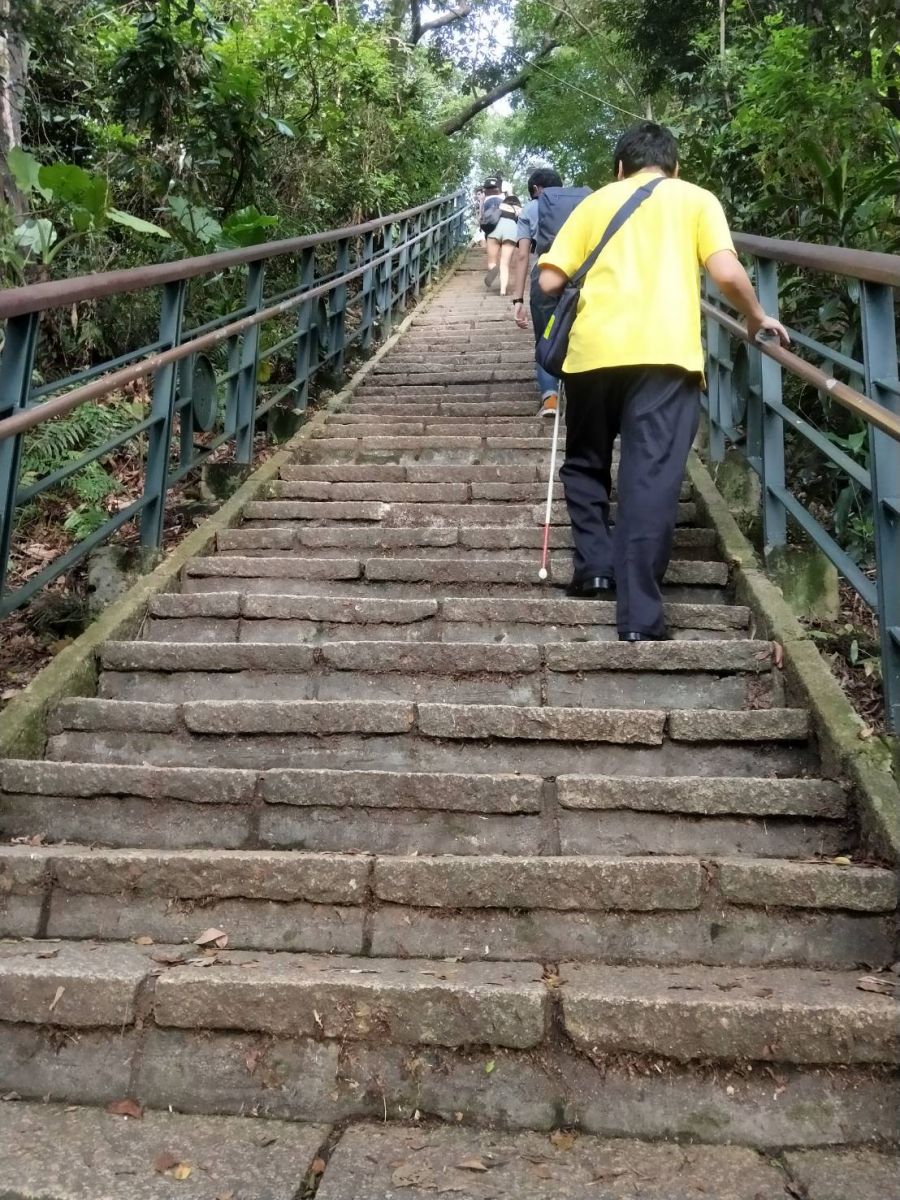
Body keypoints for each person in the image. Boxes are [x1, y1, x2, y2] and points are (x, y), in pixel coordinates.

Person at [537, 121, 789, 640]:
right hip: (666, 356)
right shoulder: (696, 200)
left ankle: (595, 568)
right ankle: (640, 619)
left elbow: (549, 279)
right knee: (648, 481)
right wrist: (755, 316)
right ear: (675, 166)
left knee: (585, 464)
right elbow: (724, 272)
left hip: (592, 353)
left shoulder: (595, 203)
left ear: (620, 167)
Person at [510, 167, 590, 419]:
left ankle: (551, 398)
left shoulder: (531, 208)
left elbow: (523, 255)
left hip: (546, 275)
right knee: (583, 335)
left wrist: (518, 299)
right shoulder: (586, 203)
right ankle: (584, 397)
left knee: (546, 336)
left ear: (535, 189)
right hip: (584, 277)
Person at [487, 194, 522, 296]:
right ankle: (503, 290)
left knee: (491, 261)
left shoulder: (500, 206)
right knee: (505, 264)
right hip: (511, 229)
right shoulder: (519, 210)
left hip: (496, 228)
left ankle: (493, 267)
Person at [477, 176, 503, 288]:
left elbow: (481, 217)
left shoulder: (486, 200)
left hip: (491, 230)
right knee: (504, 254)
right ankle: (504, 274)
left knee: (491, 257)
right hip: (504, 228)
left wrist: (481, 202)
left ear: (486, 190)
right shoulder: (503, 199)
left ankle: (493, 267)